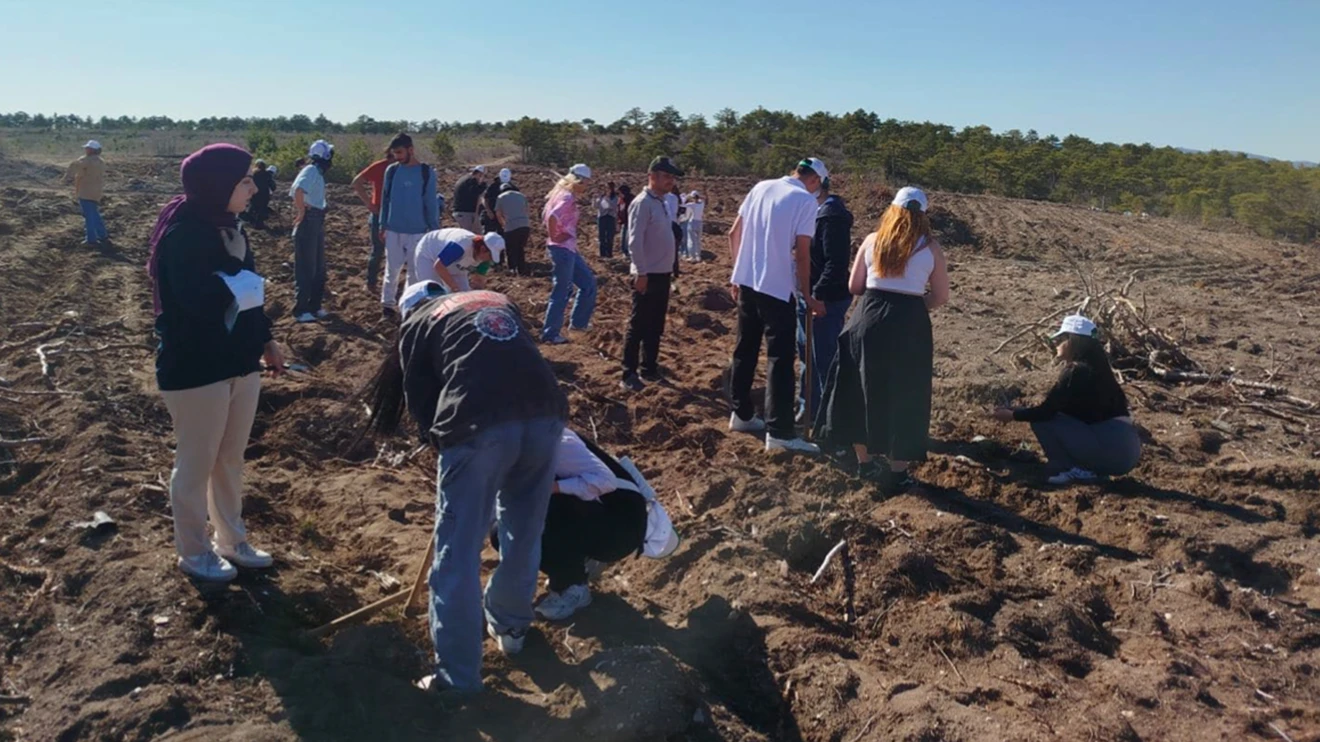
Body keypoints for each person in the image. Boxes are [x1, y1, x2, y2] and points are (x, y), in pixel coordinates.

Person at [367, 281, 567, 695]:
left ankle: (456, 677)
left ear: (408, 310)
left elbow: (422, 405)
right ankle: (511, 627)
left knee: (456, 552)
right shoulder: (497, 299)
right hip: (547, 415)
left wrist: (448, 451)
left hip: (478, 427)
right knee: (524, 532)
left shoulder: (416, 324)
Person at [147, 143, 284, 582]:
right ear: (217, 185)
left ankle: (232, 539)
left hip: (240, 361)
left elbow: (251, 296)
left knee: (230, 458)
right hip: (196, 366)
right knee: (196, 462)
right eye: (244, 181)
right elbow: (200, 301)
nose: (252, 188)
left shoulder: (230, 228)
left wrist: (266, 340)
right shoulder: (184, 235)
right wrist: (237, 267)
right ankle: (194, 551)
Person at [816, 187, 950, 492]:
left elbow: (855, 286)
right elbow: (940, 296)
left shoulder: (872, 241)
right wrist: (914, 306)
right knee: (906, 392)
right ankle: (897, 470)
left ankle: (864, 463)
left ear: (892, 210)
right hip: (909, 325)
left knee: (858, 387)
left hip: (868, 317)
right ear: (923, 216)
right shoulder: (931, 248)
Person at [492, 428, 679, 620]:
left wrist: (551, 488)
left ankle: (573, 586)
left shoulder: (549, 440)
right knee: (501, 531)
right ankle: (580, 560)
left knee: (540, 507)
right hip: (593, 513)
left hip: (622, 527)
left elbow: (605, 481)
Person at [727, 157, 829, 454]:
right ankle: (780, 431)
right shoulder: (805, 201)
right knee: (780, 359)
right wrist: (807, 295)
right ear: (815, 181)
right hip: (776, 288)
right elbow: (802, 253)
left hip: (747, 282)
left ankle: (741, 413)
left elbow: (734, 232)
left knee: (744, 348)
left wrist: (737, 273)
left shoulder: (761, 187)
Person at [991, 315, 1141, 484]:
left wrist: (1012, 416)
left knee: (1043, 422)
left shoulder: (1076, 371)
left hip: (1110, 450)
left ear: (1073, 340)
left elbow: (1047, 412)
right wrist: (1017, 411)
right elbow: (1063, 410)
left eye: (1061, 339)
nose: (1055, 344)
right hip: (1127, 451)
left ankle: (1069, 468)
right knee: (1052, 418)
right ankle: (1092, 470)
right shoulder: (1099, 370)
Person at [621, 156, 683, 392]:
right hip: (647, 273)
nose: (671, 181)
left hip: (663, 273)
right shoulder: (642, 203)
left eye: (672, 177)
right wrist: (641, 271)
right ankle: (628, 373)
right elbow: (634, 241)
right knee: (638, 324)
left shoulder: (663, 202)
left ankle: (649, 367)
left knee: (656, 325)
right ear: (652, 176)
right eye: (667, 176)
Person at [797, 177, 853, 419]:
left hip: (826, 299)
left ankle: (824, 418)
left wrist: (816, 296)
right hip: (809, 295)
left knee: (824, 359)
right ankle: (806, 408)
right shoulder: (814, 211)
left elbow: (836, 263)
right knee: (806, 355)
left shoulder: (832, 216)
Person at [378, 134, 440, 317]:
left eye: (399, 152)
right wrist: (383, 224)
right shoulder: (391, 171)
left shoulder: (426, 172)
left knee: (415, 272)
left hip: (418, 231)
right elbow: (385, 199)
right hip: (393, 229)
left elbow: (430, 202)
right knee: (392, 269)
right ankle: (387, 305)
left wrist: (434, 229)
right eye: (394, 153)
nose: (396, 156)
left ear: (411, 150)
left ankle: (408, 305)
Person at [540, 164, 598, 344]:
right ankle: (550, 334)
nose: (586, 187)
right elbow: (551, 217)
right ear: (578, 181)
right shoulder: (567, 197)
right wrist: (555, 236)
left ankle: (578, 323)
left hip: (568, 249)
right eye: (586, 183)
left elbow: (546, 214)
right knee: (563, 290)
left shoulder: (559, 194)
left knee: (588, 284)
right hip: (562, 250)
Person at [290, 140, 334, 323]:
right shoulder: (310, 170)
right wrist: (301, 212)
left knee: (319, 268)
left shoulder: (316, 172)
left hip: (317, 220)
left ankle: (314, 306)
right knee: (306, 268)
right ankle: (300, 310)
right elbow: (298, 191)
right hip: (309, 221)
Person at [351, 147, 396, 294]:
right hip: (379, 213)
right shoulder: (380, 166)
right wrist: (369, 204)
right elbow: (357, 182)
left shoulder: (404, 168)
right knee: (377, 251)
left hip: (398, 215)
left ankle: (392, 285)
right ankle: (371, 283)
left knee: (397, 251)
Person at [411, 228, 506, 293]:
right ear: (482, 249)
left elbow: (479, 280)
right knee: (433, 292)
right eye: (489, 256)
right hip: (429, 254)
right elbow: (439, 266)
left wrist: (477, 292)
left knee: (465, 294)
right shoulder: (461, 245)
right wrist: (455, 288)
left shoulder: (485, 259)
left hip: (456, 264)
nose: (490, 260)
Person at [65, 140, 108, 246]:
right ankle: (102, 234)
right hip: (96, 192)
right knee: (94, 214)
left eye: (87, 148)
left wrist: (65, 178)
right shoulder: (101, 161)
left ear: (92, 150)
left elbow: (74, 168)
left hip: (85, 191)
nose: (85, 149)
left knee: (88, 216)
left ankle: (91, 238)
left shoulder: (85, 160)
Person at [495, 180, 532, 275]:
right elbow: (527, 210)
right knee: (520, 248)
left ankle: (512, 269)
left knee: (510, 248)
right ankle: (522, 269)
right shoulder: (521, 195)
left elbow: (498, 214)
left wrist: (503, 224)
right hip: (525, 226)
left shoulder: (500, 197)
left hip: (511, 226)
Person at [452, 166, 486, 232]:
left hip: (463, 212)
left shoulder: (465, 179)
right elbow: (475, 192)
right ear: (479, 174)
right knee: (469, 235)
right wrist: (483, 185)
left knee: (476, 233)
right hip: (465, 212)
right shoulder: (472, 180)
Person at [478, 168, 509, 236]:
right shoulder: (493, 186)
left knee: (503, 233)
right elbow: (485, 199)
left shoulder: (510, 186)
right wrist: (488, 211)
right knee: (488, 234)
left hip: (502, 215)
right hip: (491, 213)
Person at [246, 160, 275, 228]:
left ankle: (250, 220)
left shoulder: (252, 173)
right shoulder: (267, 174)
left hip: (254, 193)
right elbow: (272, 185)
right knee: (262, 208)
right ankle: (259, 224)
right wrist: (272, 189)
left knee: (253, 206)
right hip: (264, 195)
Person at [682, 191, 705, 262]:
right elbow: (703, 198)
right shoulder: (702, 204)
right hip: (700, 222)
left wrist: (686, 197)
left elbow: (682, 204)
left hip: (692, 222)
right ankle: (698, 256)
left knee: (691, 239)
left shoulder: (692, 205)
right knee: (698, 240)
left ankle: (692, 257)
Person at [597, 183, 618, 259]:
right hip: (602, 217)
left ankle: (609, 253)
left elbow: (613, 206)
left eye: (609, 188)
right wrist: (596, 199)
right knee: (601, 236)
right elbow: (596, 206)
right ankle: (602, 253)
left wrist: (608, 199)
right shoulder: (601, 197)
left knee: (610, 236)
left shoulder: (615, 197)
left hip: (611, 217)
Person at [617, 185, 634, 259]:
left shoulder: (631, 199)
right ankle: (624, 251)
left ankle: (628, 252)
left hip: (631, 221)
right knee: (624, 237)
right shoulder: (621, 200)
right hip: (624, 222)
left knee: (628, 237)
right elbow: (620, 210)